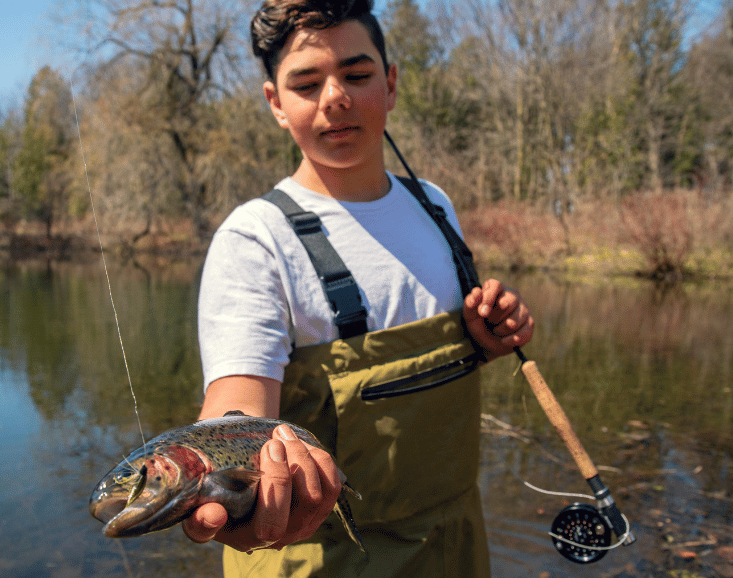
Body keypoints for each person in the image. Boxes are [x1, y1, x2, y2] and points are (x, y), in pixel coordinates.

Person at [183, 0, 534, 575]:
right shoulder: (255, 239)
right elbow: (237, 407)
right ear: (275, 102)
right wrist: (215, 480)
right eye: (305, 83)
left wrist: (489, 340)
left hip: (454, 547)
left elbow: (433, 376)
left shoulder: (435, 206)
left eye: (357, 74)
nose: (335, 98)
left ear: (391, 84)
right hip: (320, 559)